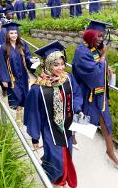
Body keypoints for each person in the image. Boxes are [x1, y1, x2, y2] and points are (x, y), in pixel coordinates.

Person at [24, 41, 83, 188]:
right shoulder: (38, 88)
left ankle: (61, 181)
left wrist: (78, 109)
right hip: (49, 129)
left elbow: (76, 94)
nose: (60, 68)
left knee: (67, 154)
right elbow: (33, 114)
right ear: (48, 65)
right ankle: (55, 182)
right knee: (56, 159)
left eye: (62, 63)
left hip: (68, 125)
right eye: (56, 64)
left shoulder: (67, 78)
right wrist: (35, 137)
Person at [72, 19, 118, 170]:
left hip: (99, 94)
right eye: (99, 36)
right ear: (91, 35)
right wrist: (103, 59)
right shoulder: (81, 52)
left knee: (105, 122)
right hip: (84, 93)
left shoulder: (96, 48)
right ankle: (72, 138)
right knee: (80, 118)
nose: (102, 40)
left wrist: (107, 68)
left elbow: (100, 67)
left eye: (102, 36)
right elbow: (95, 74)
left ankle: (111, 153)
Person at [0, 21, 35, 110]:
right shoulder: (4, 48)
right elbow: (1, 65)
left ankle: (19, 118)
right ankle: (18, 120)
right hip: (12, 78)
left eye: (15, 33)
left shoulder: (22, 44)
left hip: (23, 76)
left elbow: (28, 55)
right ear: (7, 34)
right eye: (11, 33)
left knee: (23, 98)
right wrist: (4, 79)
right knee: (16, 98)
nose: (14, 35)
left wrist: (31, 60)